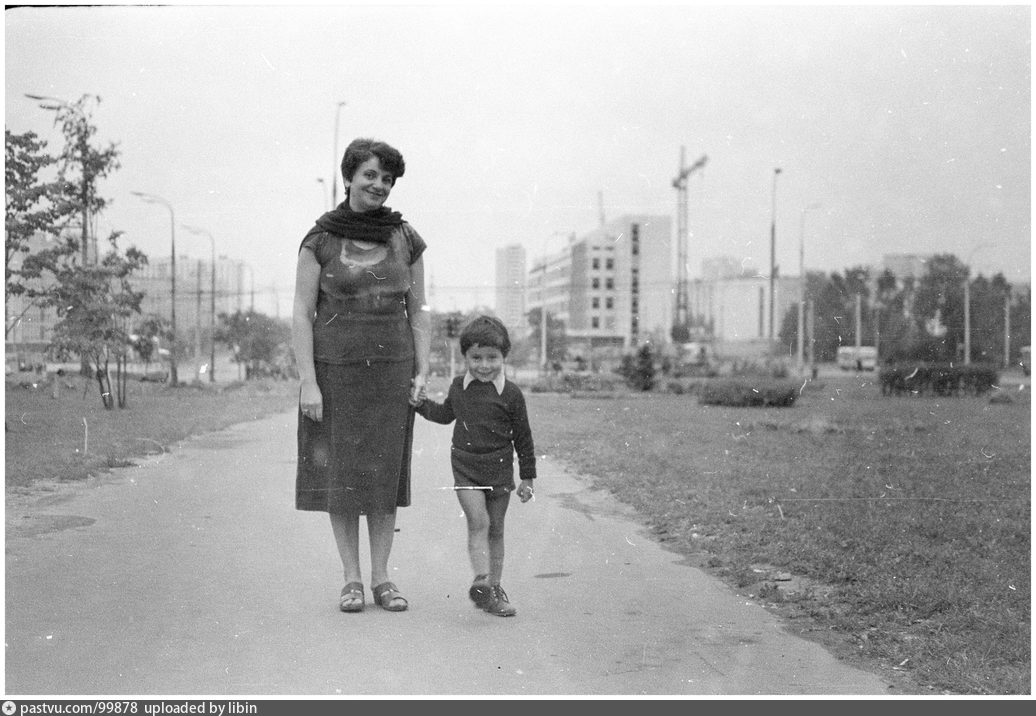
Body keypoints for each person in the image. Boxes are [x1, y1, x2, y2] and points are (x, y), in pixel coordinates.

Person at [292, 137, 430, 613]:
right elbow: (301, 313)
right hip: (335, 376)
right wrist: (308, 380)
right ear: (349, 176)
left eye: (387, 179)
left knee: (383, 477)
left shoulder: (406, 239)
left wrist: (423, 367)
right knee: (341, 477)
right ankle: (351, 578)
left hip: (391, 373)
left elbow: (419, 311)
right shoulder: (320, 239)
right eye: (370, 175)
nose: (379, 185)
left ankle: (382, 579)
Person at [413, 316, 536, 617]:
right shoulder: (459, 387)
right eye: (476, 357)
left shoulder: (511, 395)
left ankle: (494, 589)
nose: (484, 365)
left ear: (503, 356)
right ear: (465, 356)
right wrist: (420, 405)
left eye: (492, 357)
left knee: (496, 529)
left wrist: (528, 477)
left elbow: (523, 438)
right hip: (466, 467)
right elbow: (444, 415)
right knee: (477, 521)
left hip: (500, 470)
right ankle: (481, 579)